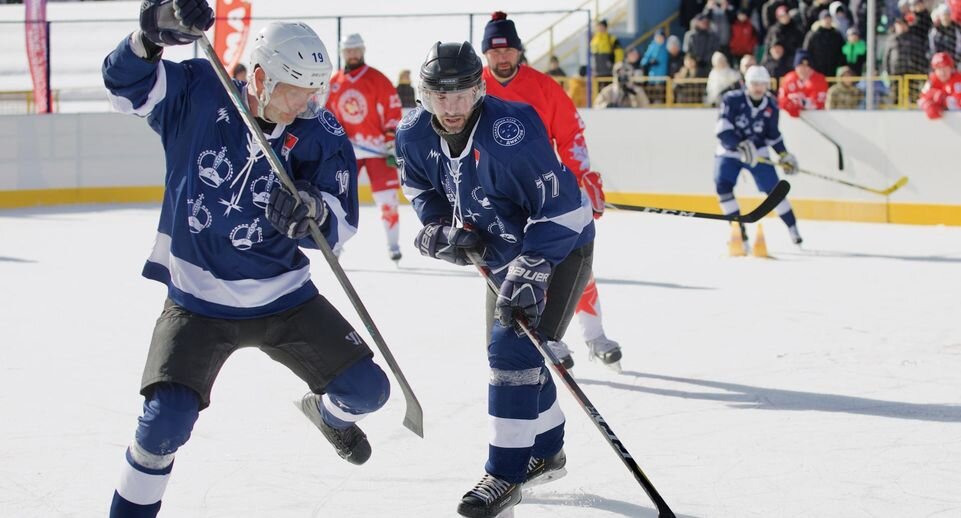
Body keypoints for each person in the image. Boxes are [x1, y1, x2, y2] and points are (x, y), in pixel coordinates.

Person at [101, 5, 391, 517]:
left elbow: (342, 223)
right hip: (197, 300)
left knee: (368, 391)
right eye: (293, 88)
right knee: (162, 426)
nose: (305, 102)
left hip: (284, 298)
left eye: (312, 90)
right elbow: (125, 86)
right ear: (258, 75)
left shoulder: (320, 129)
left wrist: (313, 211)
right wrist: (147, 37)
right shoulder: (199, 90)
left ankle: (329, 417)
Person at [397, 40, 594, 518]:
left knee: (511, 349)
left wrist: (533, 268)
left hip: (560, 246)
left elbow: (564, 210)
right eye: (441, 95)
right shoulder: (412, 133)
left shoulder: (513, 129)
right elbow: (420, 186)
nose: (452, 107)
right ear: (424, 95)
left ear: (479, 89)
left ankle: (505, 474)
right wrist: (439, 227)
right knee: (516, 353)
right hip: (502, 254)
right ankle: (546, 451)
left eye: (463, 93)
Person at [480, 11, 622, 368]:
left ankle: (595, 335)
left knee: (576, 266)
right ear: (485, 54)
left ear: (518, 52)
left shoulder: (543, 86)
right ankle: (542, 337)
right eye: (494, 51)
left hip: (546, 191)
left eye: (508, 49)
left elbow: (570, 135)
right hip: (496, 198)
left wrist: (583, 177)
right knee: (518, 271)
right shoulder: (473, 87)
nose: (502, 57)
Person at [326, 33, 404, 261]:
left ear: (363, 50)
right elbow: (328, 117)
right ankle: (336, 243)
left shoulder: (378, 79)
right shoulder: (334, 83)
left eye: (356, 50)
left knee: (388, 199)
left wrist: (391, 140)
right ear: (342, 53)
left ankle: (393, 244)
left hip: (377, 150)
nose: (352, 54)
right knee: (338, 198)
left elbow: (393, 110)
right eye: (348, 50)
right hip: (348, 151)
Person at [715, 65, 803, 250]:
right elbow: (723, 129)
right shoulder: (732, 99)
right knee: (722, 186)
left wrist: (784, 154)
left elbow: (773, 135)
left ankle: (793, 229)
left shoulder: (771, 105)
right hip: (731, 152)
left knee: (774, 192)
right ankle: (739, 232)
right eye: (754, 83)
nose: (758, 88)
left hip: (758, 154)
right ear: (746, 84)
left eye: (762, 84)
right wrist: (739, 144)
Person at [777, 49, 828, 117]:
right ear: (796, 67)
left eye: (807, 65)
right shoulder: (789, 79)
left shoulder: (819, 80)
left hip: (816, 119)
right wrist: (792, 106)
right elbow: (781, 100)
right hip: (790, 121)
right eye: (801, 65)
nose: (804, 69)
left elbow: (819, 103)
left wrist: (801, 102)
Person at [802, 9, 845, 77]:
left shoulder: (837, 35)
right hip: (816, 70)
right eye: (825, 18)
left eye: (829, 18)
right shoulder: (813, 35)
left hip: (833, 70)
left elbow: (842, 52)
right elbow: (806, 51)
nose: (827, 21)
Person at [918, 51, 961, 119]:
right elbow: (920, 100)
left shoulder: (958, 80)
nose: (942, 72)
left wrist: (944, 101)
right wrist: (927, 105)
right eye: (939, 69)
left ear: (951, 68)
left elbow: (959, 104)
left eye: (945, 68)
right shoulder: (932, 80)